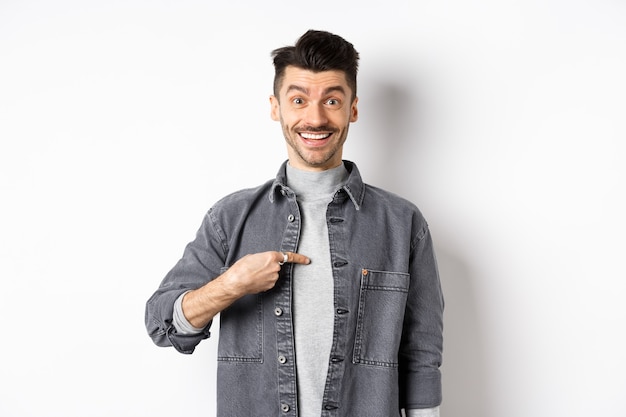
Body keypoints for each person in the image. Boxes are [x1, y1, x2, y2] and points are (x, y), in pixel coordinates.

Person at [145, 29, 444, 417]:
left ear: (353, 108)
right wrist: (232, 284)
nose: (315, 117)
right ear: (276, 107)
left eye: (332, 100)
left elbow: (421, 355)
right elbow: (162, 324)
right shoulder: (231, 218)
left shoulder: (403, 223)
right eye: (299, 99)